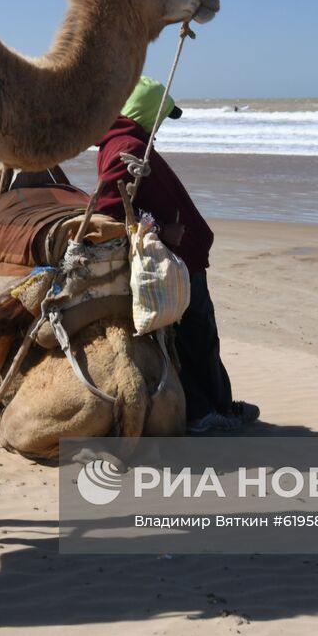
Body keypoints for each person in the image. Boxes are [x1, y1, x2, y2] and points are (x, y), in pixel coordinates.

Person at [95, 76, 259, 433]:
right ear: (149, 112)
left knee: (198, 335)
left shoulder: (127, 142)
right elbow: (110, 211)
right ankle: (205, 415)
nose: (163, 126)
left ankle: (218, 405)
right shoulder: (128, 147)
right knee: (196, 336)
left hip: (182, 256)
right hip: (174, 261)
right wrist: (159, 229)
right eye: (162, 117)